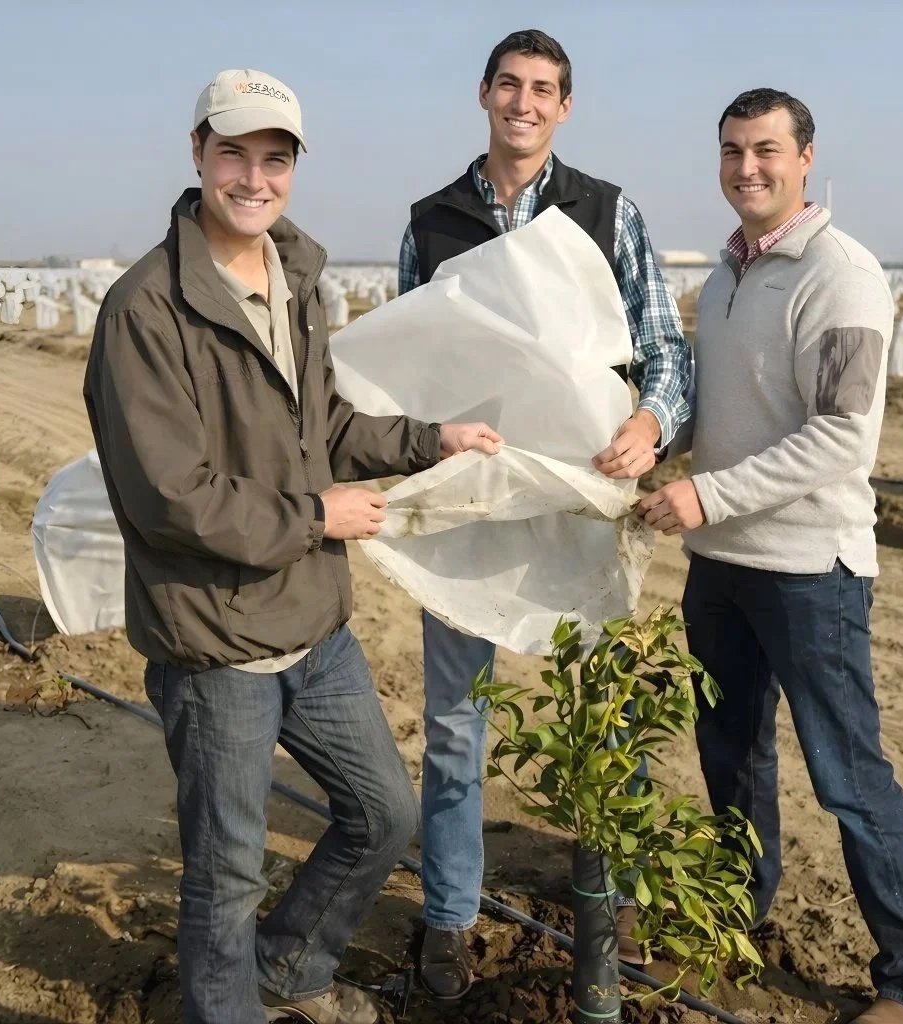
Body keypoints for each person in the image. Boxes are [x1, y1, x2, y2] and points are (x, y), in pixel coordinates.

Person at [83, 68, 501, 1024]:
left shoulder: (297, 279)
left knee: (384, 814)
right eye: (235, 152)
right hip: (217, 644)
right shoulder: (145, 310)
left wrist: (433, 440)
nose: (255, 177)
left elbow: (327, 426)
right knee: (226, 878)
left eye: (275, 158)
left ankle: (287, 970)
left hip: (314, 628)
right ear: (197, 154)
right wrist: (318, 518)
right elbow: (168, 497)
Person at [637, 88, 903, 1023]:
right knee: (730, 759)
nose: (747, 168)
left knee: (847, 776)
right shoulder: (731, 277)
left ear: (806, 157)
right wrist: (656, 437)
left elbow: (842, 438)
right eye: (732, 150)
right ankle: (734, 922)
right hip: (721, 566)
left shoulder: (841, 275)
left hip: (811, 572)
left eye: (767, 150)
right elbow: (724, 409)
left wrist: (706, 492)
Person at [397, 28, 694, 998]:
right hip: (472, 504)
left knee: (601, 722)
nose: (525, 103)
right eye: (510, 86)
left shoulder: (606, 212)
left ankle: (601, 917)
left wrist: (651, 422)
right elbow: (413, 368)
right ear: (485, 94)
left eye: (544, 90)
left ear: (564, 107)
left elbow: (661, 348)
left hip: (580, 499)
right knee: (453, 728)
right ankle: (446, 927)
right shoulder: (432, 221)